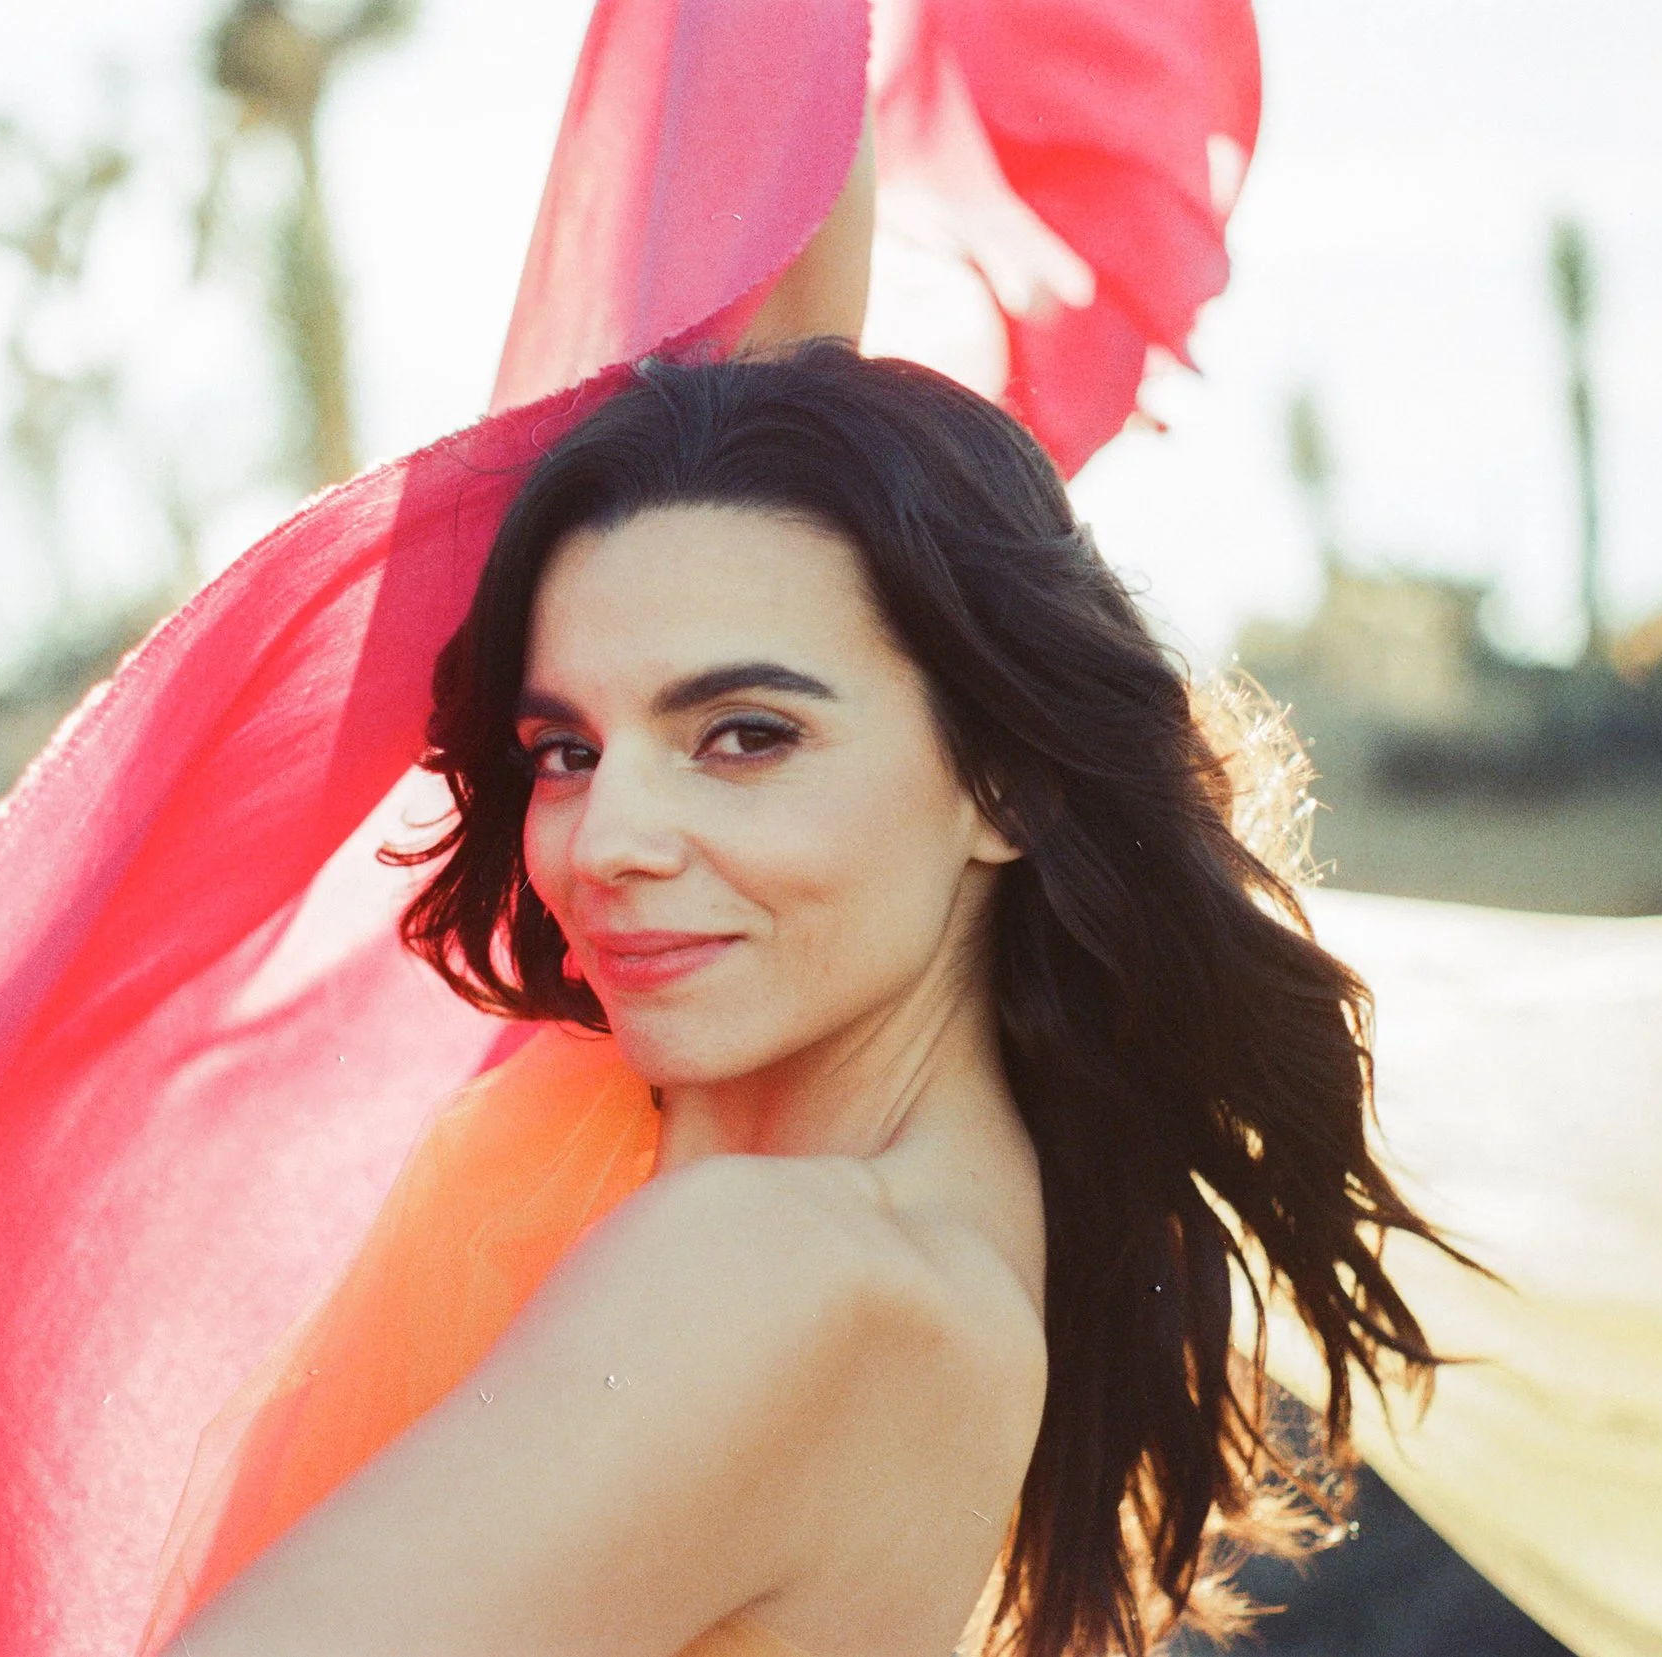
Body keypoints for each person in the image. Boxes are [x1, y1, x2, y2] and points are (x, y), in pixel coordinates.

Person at [147, 341, 1454, 1657]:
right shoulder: (961, 1258)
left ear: (1009, 781)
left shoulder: (767, 1272)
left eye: (744, 736)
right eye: (566, 751)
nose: (605, 842)